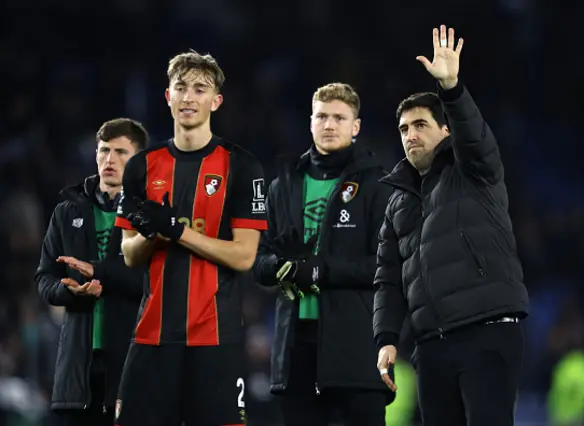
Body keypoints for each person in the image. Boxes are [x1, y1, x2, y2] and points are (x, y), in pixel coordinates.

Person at [373, 25, 529, 426]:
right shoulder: (397, 203)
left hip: (487, 331)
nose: (410, 135)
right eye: (404, 129)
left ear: (445, 130)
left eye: (421, 124)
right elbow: (388, 278)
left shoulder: (473, 170)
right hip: (431, 346)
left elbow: (474, 137)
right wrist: (387, 338)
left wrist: (452, 89)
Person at [114, 51, 267, 426]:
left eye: (200, 89)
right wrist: (151, 233)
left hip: (216, 339)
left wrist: (177, 231)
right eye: (180, 88)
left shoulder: (242, 166)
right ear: (167, 96)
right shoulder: (140, 167)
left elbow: (245, 257)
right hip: (152, 335)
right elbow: (130, 255)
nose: (188, 97)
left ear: (215, 101)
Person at [253, 82, 393, 426]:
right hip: (295, 349)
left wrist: (320, 270)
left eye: (339, 118)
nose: (329, 125)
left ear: (355, 127)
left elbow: (385, 265)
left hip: (355, 349)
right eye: (322, 116)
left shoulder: (378, 185)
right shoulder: (282, 185)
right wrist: (281, 268)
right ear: (310, 122)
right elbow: (257, 261)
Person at [35, 118, 148, 426]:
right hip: (78, 366)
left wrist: (100, 274)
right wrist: (65, 290)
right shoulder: (67, 211)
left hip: (131, 361)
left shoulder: (149, 216)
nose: (109, 160)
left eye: (121, 152)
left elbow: (153, 280)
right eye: (104, 150)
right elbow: (44, 278)